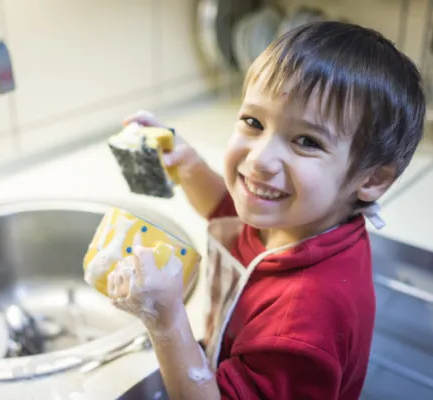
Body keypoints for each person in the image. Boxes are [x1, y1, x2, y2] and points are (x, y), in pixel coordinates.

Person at [106, 20, 426, 400]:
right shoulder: (298, 217)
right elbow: (228, 210)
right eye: (253, 122)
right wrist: (188, 165)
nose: (259, 160)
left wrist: (167, 322)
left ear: (371, 179)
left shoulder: (303, 320)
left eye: (306, 141)